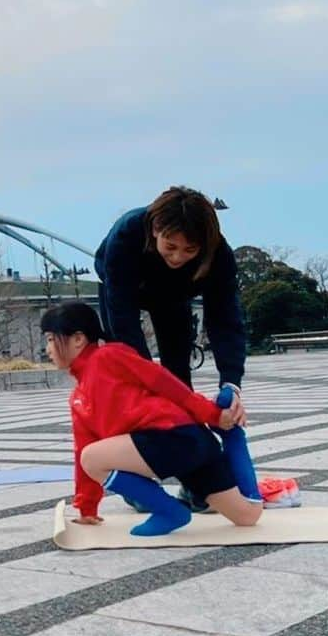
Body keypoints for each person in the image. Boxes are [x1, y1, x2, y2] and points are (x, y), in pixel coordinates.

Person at [42, 301, 262, 537]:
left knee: (92, 458)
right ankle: (233, 437)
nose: (48, 349)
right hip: (183, 445)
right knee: (248, 515)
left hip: (174, 437)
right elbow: (82, 447)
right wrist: (87, 507)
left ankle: (170, 511)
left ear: (78, 338)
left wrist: (212, 414)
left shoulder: (108, 356)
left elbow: (165, 383)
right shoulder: (78, 398)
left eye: (51, 339)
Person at [94, 185, 249, 493]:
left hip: (175, 297)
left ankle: (198, 480)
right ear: (155, 231)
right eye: (171, 246)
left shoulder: (218, 254)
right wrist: (145, 379)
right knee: (131, 392)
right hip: (124, 288)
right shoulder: (127, 233)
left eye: (189, 250)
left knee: (179, 384)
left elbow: (225, 320)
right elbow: (123, 318)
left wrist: (231, 382)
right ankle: (137, 482)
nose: (178, 256)